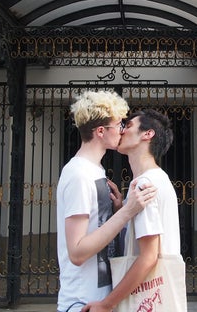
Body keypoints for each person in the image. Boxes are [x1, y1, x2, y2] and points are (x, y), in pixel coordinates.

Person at [57, 90, 157, 312]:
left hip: (98, 299)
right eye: (119, 124)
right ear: (101, 131)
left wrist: (119, 209)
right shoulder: (79, 174)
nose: (123, 130)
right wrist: (126, 212)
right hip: (81, 302)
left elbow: (99, 231)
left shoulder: (96, 171)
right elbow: (77, 252)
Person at [82, 108, 185, 312]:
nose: (121, 131)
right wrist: (123, 210)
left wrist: (106, 304)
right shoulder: (159, 178)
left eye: (128, 126)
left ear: (148, 134)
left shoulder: (145, 184)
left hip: (147, 298)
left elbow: (148, 257)